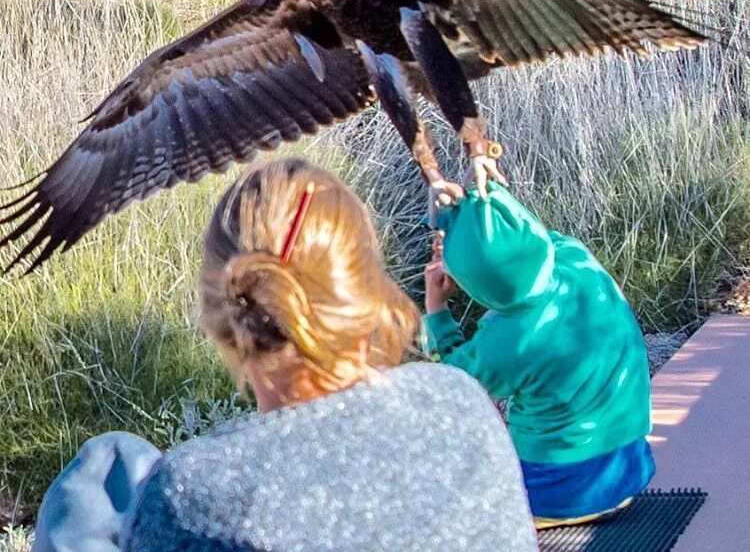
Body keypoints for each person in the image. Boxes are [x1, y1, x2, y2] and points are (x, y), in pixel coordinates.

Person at [33, 158, 538, 552]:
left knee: (102, 476)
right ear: (369, 293)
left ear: (218, 318)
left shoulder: (192, 493)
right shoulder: (460, 406)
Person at [422, 180, 655, 529]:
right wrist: (471, 213)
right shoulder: (575, 257)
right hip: (629, 469)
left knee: (439, 490)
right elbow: (520, 238)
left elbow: (449, 387)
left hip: (558, 492)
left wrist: (436, 310)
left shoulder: (509, 342)